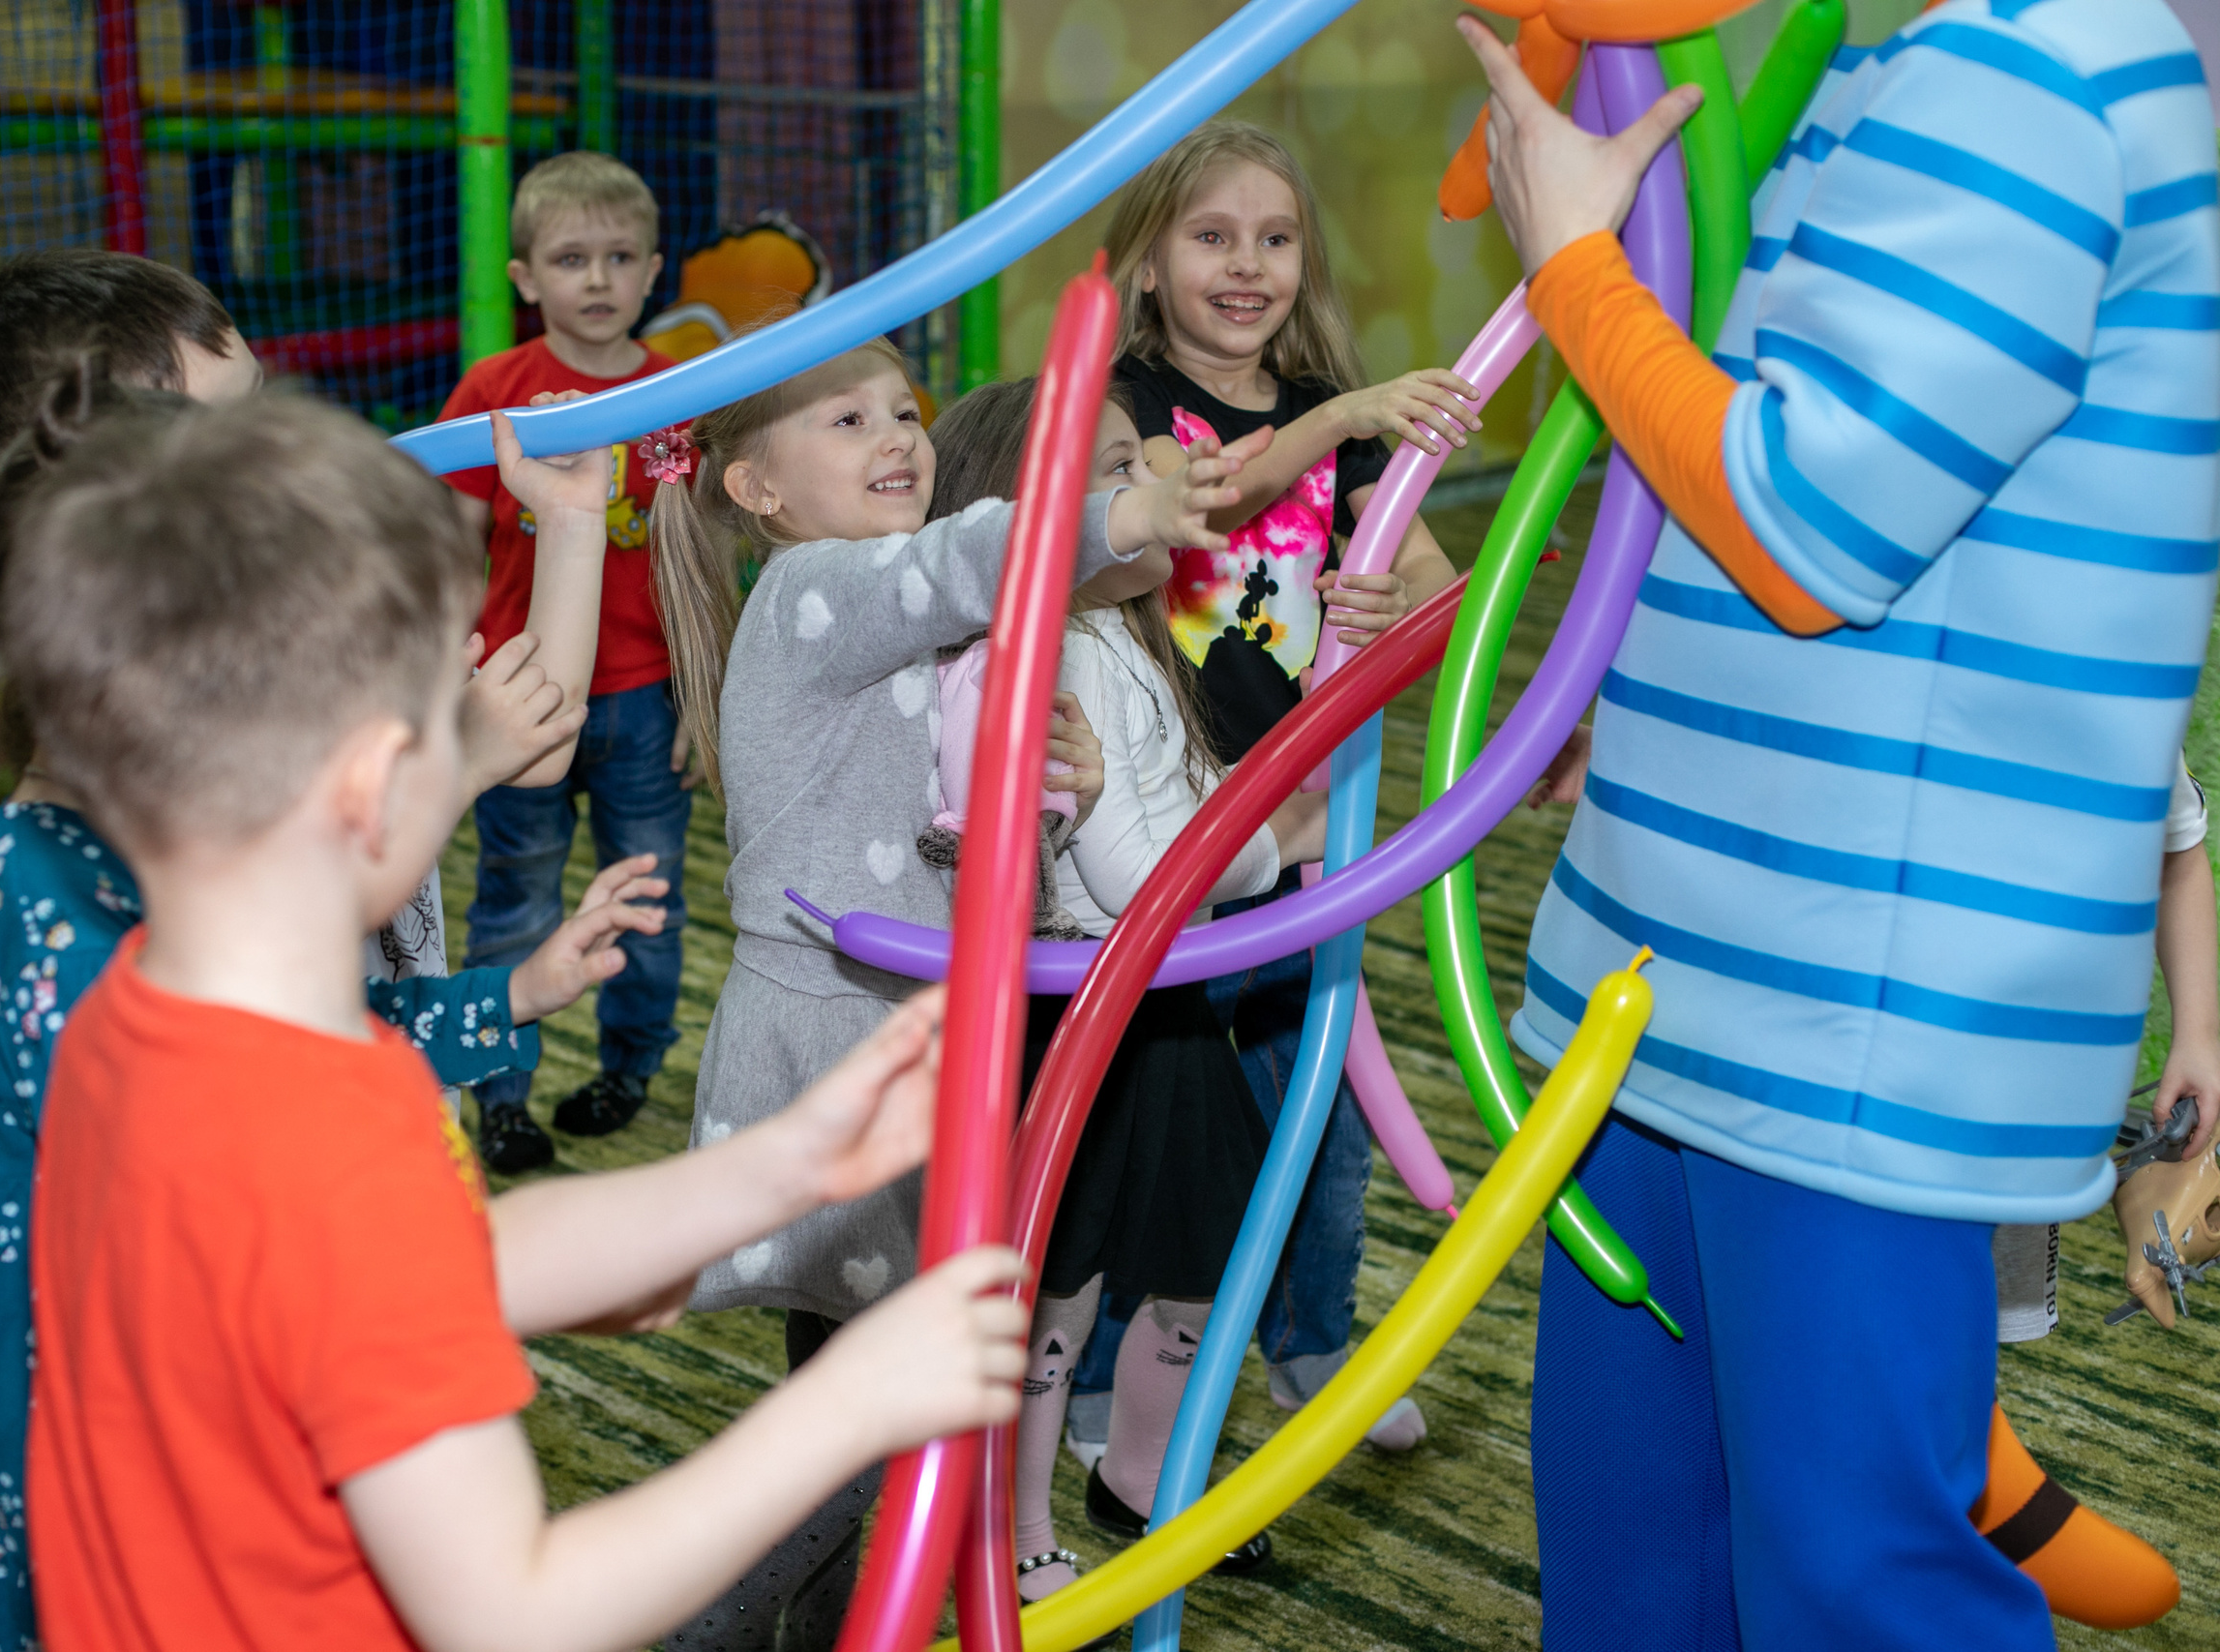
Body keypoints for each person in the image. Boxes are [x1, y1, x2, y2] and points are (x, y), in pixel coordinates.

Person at [4, 388, 1033, 1652]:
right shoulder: (318, 1140)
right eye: (460, 700)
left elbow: (449, 1266)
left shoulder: (145, 1028)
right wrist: (850, 1403)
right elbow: (514, 1607)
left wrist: (780, 1164)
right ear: (375, 787)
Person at [1459, 2, 2218, 1644]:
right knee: (1641, 1551)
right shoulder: (1909, 53)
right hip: (1694, 975)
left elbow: (1808, 522)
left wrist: (1572, 260)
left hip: (1851, 1006)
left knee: (1852, 1583)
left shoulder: (2033, 65)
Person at [0, 284, 589, 1650]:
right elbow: (248, 1107)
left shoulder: (226, 788)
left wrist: (567, 530)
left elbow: (537, 728)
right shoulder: (52, 895)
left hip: (275, 1276)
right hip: (98, 1388)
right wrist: (435, 776)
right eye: (232, 438)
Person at [648, 336, 1262, 1648]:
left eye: (906, 411)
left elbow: (968, 827)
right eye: (847, 418)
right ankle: (709, 1624)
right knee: (872, 1406)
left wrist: (1057, 789)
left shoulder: (900, 629)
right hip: (839, 1046)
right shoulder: (818, 590)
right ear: (756, 489)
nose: (897, 437)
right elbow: (955, 558)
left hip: (904, 1041)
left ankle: (804, 1624)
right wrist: (1123, 508)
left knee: (855, 1391)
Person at [1083, 118, 1479, 1455]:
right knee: (1151, 1119)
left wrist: (1395, 606)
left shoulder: (1348, 437)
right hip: (1151, 837)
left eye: (1274, 237)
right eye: (1211, 236)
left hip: (1304, 830)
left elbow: (1440, 596)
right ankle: (1098, 1379)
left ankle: (1312, 1344)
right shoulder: (1124, 403)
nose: (1246, 265)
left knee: (1321, 1113)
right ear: (1146, 265)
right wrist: (1343, 414)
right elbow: (1189, 501)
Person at [921, 378, 1328, 1601]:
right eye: (1111, 473)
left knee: (1204, 1241)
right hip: (1079, 1020)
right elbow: (1149, 875)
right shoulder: (1045, 665)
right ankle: (1019, 1517)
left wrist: (1249, 827)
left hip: (1160, 1010)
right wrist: (1270, 838)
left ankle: (1146, 1470)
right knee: (1064, 1279)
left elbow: (1185, 825)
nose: (1145, 477)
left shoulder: (1122, 635)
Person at [439, 152, 694, 1171]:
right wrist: (448, 676)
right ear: (525, 278)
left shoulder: (680, 396)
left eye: (619, 257)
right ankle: (501, 1092)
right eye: (571, 258)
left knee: (646, 889)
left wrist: (698, 700)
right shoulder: (494, 392)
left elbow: (692, 557)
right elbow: (455, 548)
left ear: (654, 270)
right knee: (518, 895)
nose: (597, 280)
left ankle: (631, 1062)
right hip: (518, 698)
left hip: (640, 699)